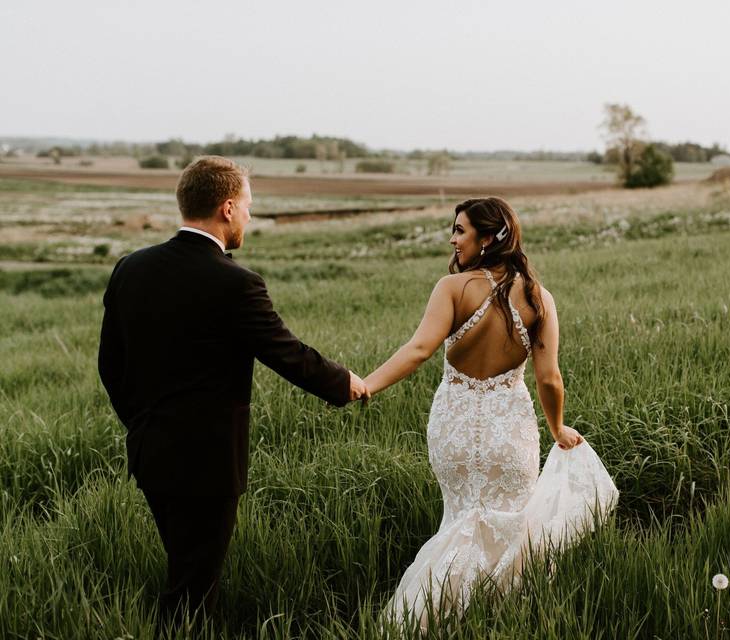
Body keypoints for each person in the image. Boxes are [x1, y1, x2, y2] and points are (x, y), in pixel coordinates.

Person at [97, 156, 368, 625]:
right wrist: (344, 383)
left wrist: (142, 424)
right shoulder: (235, 282)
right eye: (246, 206)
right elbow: (287, 353)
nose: (248, 216)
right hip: (207, 465)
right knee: (194, 590)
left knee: (185, 570)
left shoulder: (131, 268)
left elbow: (110, 365)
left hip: (150, 453)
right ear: (226, 208)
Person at [363, 196, 618, 628]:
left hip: (455, 428)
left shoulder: (453, 289)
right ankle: (504, 617)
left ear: (487, 238)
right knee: (510, 527)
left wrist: (367, 384)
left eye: (460, 230)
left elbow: (420, 349)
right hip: (510, 432)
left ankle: (430, 617)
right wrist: (557, 428)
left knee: (460, 521)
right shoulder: (538, 297)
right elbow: (550, 378)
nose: (452, 238)